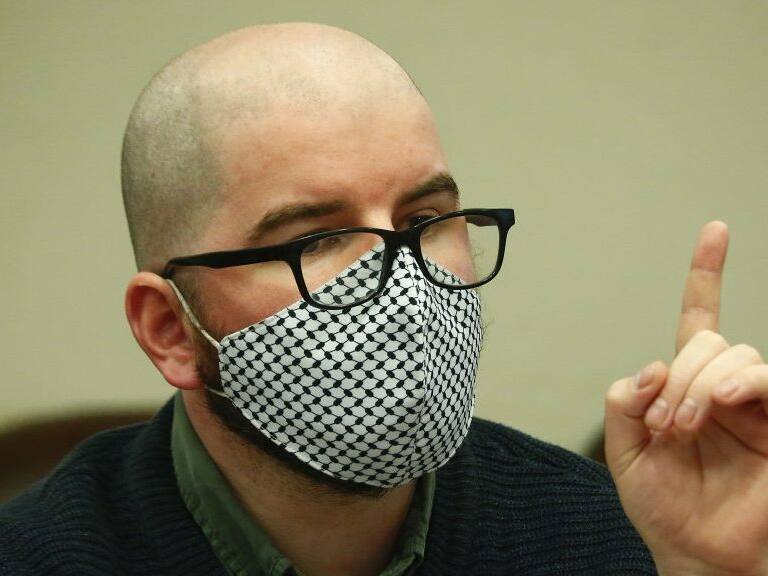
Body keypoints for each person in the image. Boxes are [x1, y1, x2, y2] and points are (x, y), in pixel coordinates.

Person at [2, 21, 767, 576]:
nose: (402, 284)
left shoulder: (610, 535)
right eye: (317, 238)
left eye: (425, 221)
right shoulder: (42, 556)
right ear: (170, 328)